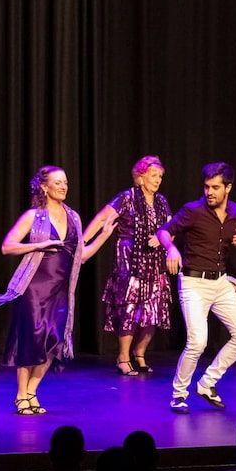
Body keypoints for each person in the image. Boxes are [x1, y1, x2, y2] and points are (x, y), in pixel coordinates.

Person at [0, 165, 116, 414]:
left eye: (65, 182)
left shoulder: (74, 217)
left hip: (61, 290)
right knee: (31, 339)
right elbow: (7, 246)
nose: (63, 186)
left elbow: (81, 256)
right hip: (34, 289)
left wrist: (103, 235)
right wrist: (38, 245)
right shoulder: (34, 216)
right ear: (44, 187)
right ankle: (21, 395)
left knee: (54, 342)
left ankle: (32, 391)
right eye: (58, 182)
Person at [157, 162, 236, 413]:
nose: (209, 192)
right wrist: (171, 248)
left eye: (215, 187)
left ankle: (207, 383)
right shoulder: (193, 210)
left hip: (221, 282)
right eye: (206, 187)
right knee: (197, 342)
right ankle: (179, 394)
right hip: (193, 283)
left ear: (228, 188)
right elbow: (164, 232)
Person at [82, 155, 172, 376]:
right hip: (130, 263)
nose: (158, 180)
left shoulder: (161, 201)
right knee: (129, 310)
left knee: (153, 310)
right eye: (153, 175)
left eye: (160, 176)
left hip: (155, 263)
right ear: (140, 177)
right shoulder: (127, 197)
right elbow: (102, 219)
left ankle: (140, 353)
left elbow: (173, 228)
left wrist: (162, 238)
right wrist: (82, 242)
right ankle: (123, 356)